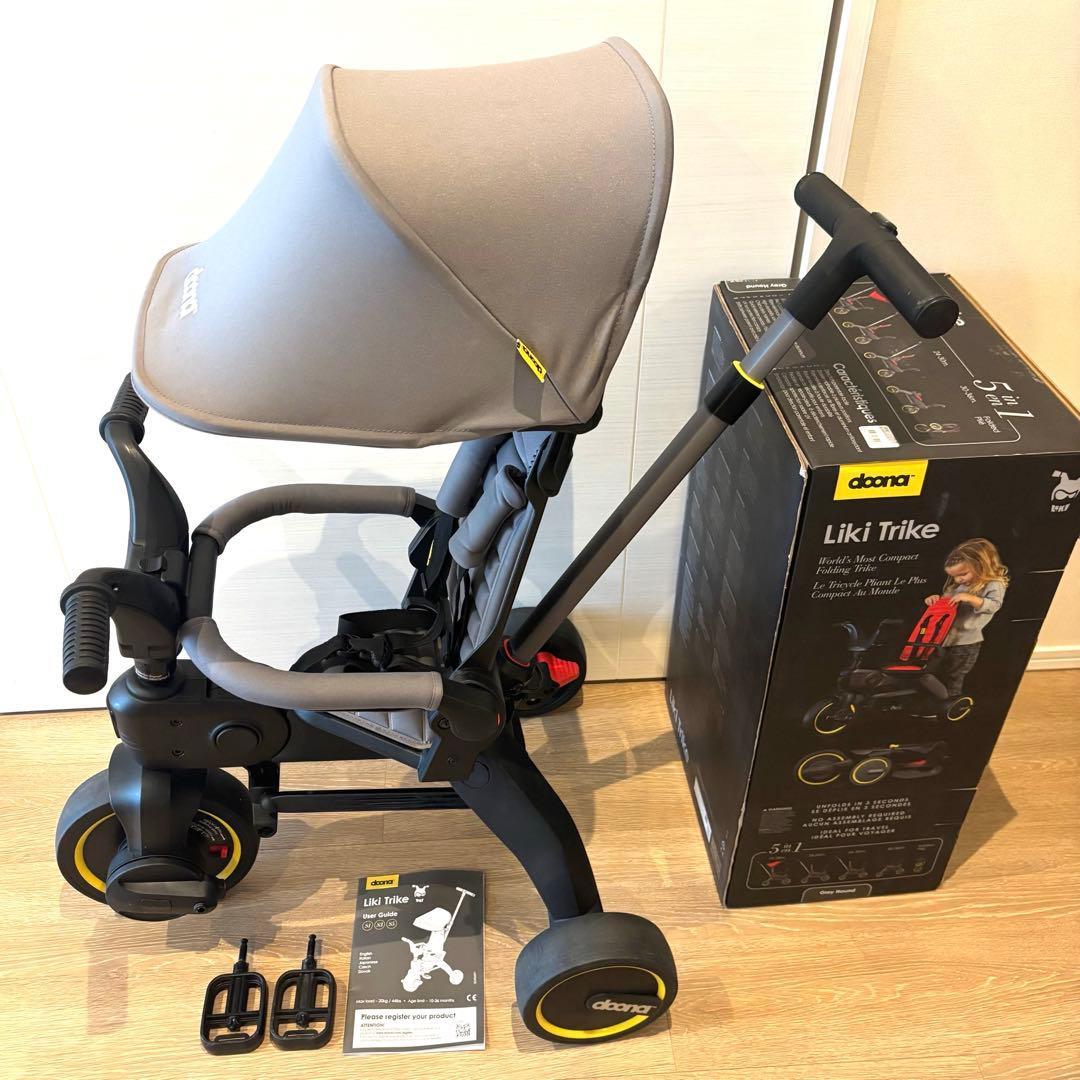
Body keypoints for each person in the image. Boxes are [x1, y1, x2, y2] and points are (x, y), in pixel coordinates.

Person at [922, 538, 1008, 697]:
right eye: (954, 576)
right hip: (943, 638)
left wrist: (971, 598)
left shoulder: (993, 584)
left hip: (966, 642)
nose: (958, 579)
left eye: (962, 574)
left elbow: (993, 605)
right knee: (932, 671)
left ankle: (952, 702)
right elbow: (945, 605)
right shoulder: (957, 585)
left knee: (954, 675)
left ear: (980, 566)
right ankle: (935, 700)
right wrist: (935, 600)